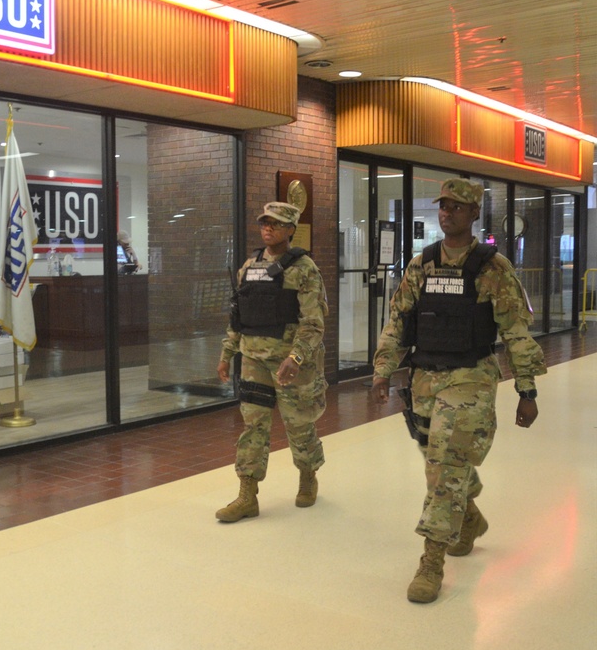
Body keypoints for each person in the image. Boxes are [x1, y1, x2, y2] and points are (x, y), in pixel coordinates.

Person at [370, 178, 546, 604]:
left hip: (471, 379)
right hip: (425, 379)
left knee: (445, 465)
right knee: (437, 460)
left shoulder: (494, 268)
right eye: (442, 206)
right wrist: (382, 368)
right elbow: (398, 320)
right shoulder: (421, 264)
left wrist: (527, 389)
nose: (446, 212)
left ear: (473, 214)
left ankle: (431, 561)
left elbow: (516, 332)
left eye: (455, 206)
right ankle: (468, 519)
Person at [216, 202, 328, 522]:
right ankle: (247, 495)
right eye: (265, 223)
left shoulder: (304, 268)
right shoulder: (250, 265)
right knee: (253, 425)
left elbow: (313, 322)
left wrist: (296, 356)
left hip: (291, 362)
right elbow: (238, 316)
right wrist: (227, 354)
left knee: (298, 422)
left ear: (291, 229)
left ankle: (308, 475)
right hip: (254, 359)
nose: (268, 228)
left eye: (276, 224)